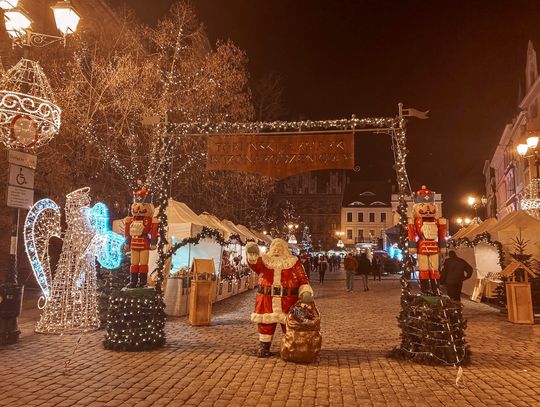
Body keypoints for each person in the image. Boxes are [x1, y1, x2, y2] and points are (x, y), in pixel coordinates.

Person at [245, 239, 314, 357]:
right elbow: (254, 264)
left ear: (285, 250)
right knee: (265, 324)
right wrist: (252, 253)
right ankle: (264, 346)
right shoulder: (265, 261)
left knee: (289, 324)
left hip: (288, 300)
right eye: (274, 247)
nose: (277, 250)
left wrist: (305, 291)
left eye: (279, 248)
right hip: (267, 299)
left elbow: (303, 279)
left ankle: (290, 346)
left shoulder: (294, 263)